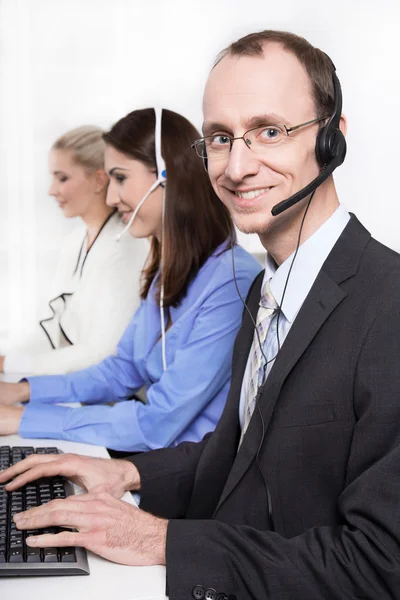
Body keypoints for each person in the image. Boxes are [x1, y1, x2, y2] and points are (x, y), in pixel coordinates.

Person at [2, 30, 400, 599]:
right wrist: (129, 474)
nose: (236, 167)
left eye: (269, 131)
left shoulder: (389, 308)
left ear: (333, 140)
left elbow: (382, 566)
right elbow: (240, 457)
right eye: (219, 137)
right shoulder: (268, 289)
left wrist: (160, 541)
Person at [0, 107, 261, 451]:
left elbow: (158, 423)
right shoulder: (167, 273)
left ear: (167, 176)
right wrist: (24, 390)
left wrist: (23, 419)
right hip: (155, 457)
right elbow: (122, 370)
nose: (110, 198)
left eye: (120, 179)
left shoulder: (231, 281)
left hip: (189, 479)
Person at [0, 125, 148, 376]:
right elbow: (50, 329)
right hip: (70, 386)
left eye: (62, 178)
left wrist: (9, 365)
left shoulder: (127, 249)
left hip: (106, 396)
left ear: (99, 180)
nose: (51, 190)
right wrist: (7, 360)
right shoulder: (74, 242)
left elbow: (102, 353)